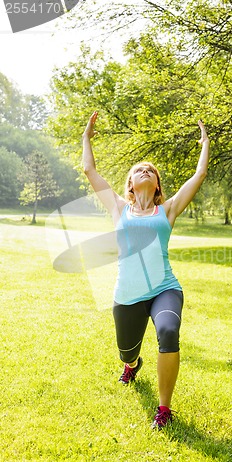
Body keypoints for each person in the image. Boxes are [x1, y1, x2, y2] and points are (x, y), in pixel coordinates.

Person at [82, 111, 210, 429]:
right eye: (139, 169)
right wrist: (86, 138)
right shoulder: (117, 207)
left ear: (156, 186)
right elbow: (89, 169)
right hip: (127, 294)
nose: (145, 171)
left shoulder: (167, 210)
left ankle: (164, 409)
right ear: (130, 184)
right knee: (127, 352)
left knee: (168, 332)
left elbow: (198, 176)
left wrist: (205, 144)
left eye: (150, 170)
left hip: (164, 288)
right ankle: (132, 364)